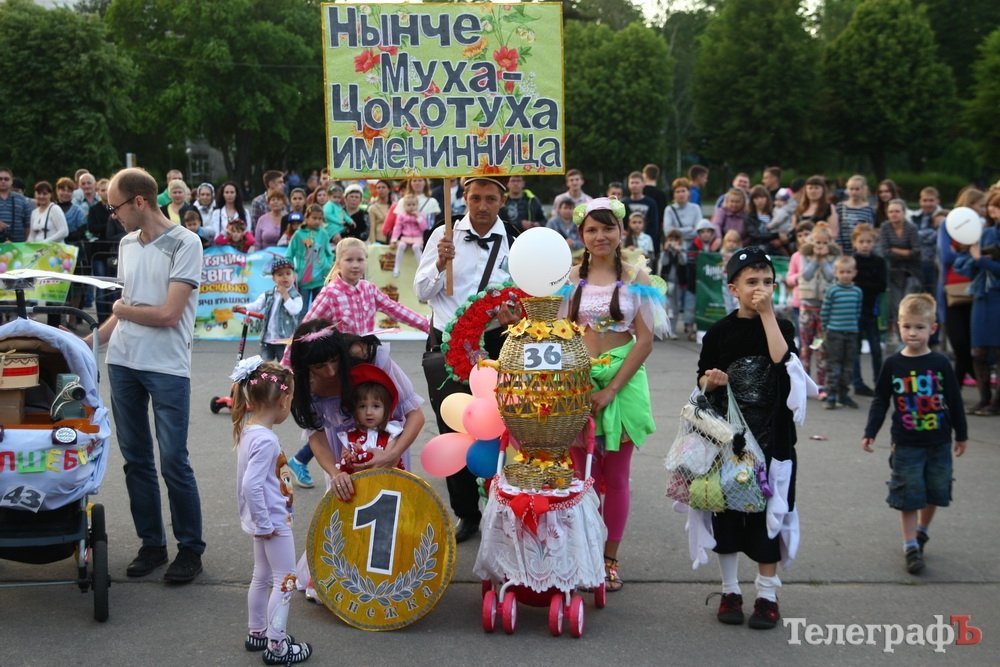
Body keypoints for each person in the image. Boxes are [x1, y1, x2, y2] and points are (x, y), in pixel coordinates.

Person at [86, 167, 205, 583]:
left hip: (167, 366)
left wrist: (120, 311)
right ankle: (152, 545)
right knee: (136, 460)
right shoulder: (125, 243)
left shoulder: (186, 243)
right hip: (122, 362)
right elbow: (128, 304)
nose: (112, 213)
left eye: (114, 205)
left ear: (139, 201)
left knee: (174, 460)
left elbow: (169, 314)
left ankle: (190, 549)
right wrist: (87, 343)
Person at [562, 197, 668, 592]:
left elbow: (645, 341)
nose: (600, 236)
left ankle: (608, 559)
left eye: (607, 228)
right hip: (578, 382)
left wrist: (610, 389)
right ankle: (577, 553)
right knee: (578, 475)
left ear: (621, 231)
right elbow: (559, 334)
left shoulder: (636, 276)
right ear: (581, 235)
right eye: (591, 229)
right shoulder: (570, 277)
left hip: (623, 383)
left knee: (616, 477)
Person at [414, 175, 521, 543]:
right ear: (464, 197)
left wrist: (516, 316)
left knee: (501, 428)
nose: (482, 206)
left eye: (490, 198)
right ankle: (466, 513)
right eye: (475, 197)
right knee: (453, 428)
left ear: (502, 200)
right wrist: (439, 265)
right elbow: (422, 292)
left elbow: (526, 295)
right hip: (446, 343)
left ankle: (502, 506)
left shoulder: (515, 238)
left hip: (495, 342)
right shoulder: (442, 235)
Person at [698, 246, 799, 630]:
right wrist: (712, 379)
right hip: (729, 443)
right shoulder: (721, 332)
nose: (760, 289)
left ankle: (767, 595)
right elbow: (701, 379)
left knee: (768, 519)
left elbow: (781, 361)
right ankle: (730, 590)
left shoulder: (781, 326)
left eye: (767, 282)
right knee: (728, 516)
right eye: (751, 282)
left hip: (774, 442)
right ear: (733, 289)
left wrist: (770, 315)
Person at [286, 319, 425, 596]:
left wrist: (391, 454)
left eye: (334, 361)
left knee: (390, 517)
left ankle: (391, 580)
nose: (330, 371)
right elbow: (316, 435)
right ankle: (346, 579)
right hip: (342, 459)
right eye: (319, 367)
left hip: (389, 449)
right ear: (305, 367)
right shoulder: (303, 384)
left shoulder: (368, 358)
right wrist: (335, 474)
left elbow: (415, 414)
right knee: (347, 517)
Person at [863, 294, 968, 574]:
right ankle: (910, 546)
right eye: (907, 326)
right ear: (898, 326)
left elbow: (955, 400)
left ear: (932, 329)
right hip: (906, 443)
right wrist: (870, 431)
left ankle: (922, 531)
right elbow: (880, 400)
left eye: (919, 327)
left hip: (939, 442)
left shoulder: (941, 363)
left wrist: (962, 435)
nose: (913, 332)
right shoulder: (893, 364)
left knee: (935, 492)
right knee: (908, 494)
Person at [229, 357, 313, 665]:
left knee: (262, 575)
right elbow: (252, 485)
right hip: (273, 523)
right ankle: (277, 646)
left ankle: (258, 632)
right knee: (285, 579)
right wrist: (266, 524)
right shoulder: (264, 440)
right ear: (282, 401)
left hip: (263, 521)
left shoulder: (249, 432)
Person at [334, 364, 404, 474]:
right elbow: (345, 468)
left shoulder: (391, 434)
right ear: (355, 410)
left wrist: (362, 454)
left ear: (386, 409)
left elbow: (388, 462)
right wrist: (349, 458)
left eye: (376, 406)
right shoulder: (349, 437)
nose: (369, 412)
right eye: (362, 406)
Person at [797, 221, 840, 393]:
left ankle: (821, 383)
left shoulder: (833, 258)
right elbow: (805, 275)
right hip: (807, 308)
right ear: (811, 242)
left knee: (821, 347)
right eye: (817, 242)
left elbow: (831, 277)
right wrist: (815, 259)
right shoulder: (804, 256)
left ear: (829, 243)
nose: (820, 246)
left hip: (824, 309)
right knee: (806, 347)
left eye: (824, 243)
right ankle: (804, 382)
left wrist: (823, 261)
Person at [965, 222, 1000, 415]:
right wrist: (973, 259)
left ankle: (996, 403)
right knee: (978, 351)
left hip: (997, 298)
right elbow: (969, 267)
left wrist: (981, 260)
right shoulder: (986, 233)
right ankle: (984, 398)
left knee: (998, 350)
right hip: (982, 296)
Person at [820, 255, 863, 409]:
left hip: (851, 333)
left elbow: (858, 311)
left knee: (848, 365)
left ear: (854, 273)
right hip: (834, 333)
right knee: (834, 365)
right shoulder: (832, 291)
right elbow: (825, 312)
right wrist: (826, 329)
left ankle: (843, 395)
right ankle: (831, 395)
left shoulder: (857, 291)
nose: (845, 275)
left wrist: (853, 326)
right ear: (836, 273)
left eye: (848, 272)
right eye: (842, 272)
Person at [851, 223, 888, 397]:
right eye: (862, 241)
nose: (865, 245)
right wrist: (864, 286)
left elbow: (881, 285)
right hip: (854, 311)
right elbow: (850, 283)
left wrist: (861, 285)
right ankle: (857, 383)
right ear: (855, 242)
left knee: (876, 348)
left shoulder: (879, 262)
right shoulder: (852, 261)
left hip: (871, 311)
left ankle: (880, 382)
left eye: (868, 241)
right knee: (855, 348)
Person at [245, 257, 303, 362]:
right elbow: (257, 305)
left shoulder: (295, 296)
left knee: (286, 367)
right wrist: (243, 308)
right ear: (274, 279)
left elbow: (294, 310)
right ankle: (267, 378)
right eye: (280, 274)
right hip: (268, 339)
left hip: (285, 340)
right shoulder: (269, 294)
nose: (285, 277)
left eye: (288, 273)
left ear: (293, 277)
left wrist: (285, 295)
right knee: (263, 365)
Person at [879, 198, 921, 340]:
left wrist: (895, 250)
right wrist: (905, 252)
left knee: (909, 305)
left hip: (911, 272)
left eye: (897, 211)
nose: (894, 214)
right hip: (893, 272)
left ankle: (913, 336)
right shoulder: (885, 227)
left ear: (903, 212)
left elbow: (916, 252)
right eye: (891, 212)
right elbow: (885, 251)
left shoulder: (911, 228)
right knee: (896, 306)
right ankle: (900, 337)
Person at [287, 204, 333, 311]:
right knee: (301, 310)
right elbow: (289, 255)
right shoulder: (298, 234)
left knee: (319, 310)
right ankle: (301, 328)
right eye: (314, 218)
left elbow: (329, 253)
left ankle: (317, 328)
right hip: (304, 279)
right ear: (306, 218)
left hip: (321, 278)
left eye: (320, 219)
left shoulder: (323, 234)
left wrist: (328, 267)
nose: (317, 221)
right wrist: (291, 272)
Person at [624, 171, 662, 265]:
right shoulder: (624, 203)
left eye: (637, 182)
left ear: (643, 184)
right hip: (628, 243)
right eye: (632, 182)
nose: (634, 185)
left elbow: (654, 225)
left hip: (646, 243)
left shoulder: (651, 203)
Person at [910, 187, 942, 293]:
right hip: (917, 262)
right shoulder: (914, 217)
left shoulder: (943, 217)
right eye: (925, 200)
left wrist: (918, 236)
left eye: (931, 200)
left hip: (936, 263)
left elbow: (938, 237)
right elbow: (912, 237)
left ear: (937, 201)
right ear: (920, 201)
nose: (928, 204)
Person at [834, 175, 876, 253]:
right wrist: (839, 248)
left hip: (862, 250)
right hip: (843, 250)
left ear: (863, 190)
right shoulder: (840, 207)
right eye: (851, 189)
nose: (854, 192)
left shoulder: (869, 209)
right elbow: (837, 229)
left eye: (857, 189)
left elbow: (870, 230)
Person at [390, 193, 427, 278]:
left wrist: (418, 217)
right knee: (401, 245)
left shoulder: (421, 214)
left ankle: (422, 268)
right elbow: (397, 228)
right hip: (406, 237)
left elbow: (424, 228)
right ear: (404, 206)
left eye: (413, 204)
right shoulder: (401, 216)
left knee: (416, 247)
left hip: (417, 238)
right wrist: (394, 239)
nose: (411, 207)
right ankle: (396, 267)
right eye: (408, 205)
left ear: (417, 205)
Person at [660, 228, 686, 338]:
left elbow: (683, 262)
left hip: (678, 282)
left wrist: (679, 251)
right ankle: (664, 329)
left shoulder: (682, 251)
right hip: (667, 282)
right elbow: (663, 262)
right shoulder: (666, 251)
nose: (673, 241)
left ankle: (672, 330)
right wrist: (666, 251)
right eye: (671, 239)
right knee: (667, 307)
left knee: (676, 307)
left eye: (676, 239)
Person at [0, 165, 32, 242]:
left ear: (11, 181)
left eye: (6, 179)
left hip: (18, 245)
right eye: (0, 179)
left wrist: (27, 243)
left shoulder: (23, 200)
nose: (3, 181)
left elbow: (28, 225)